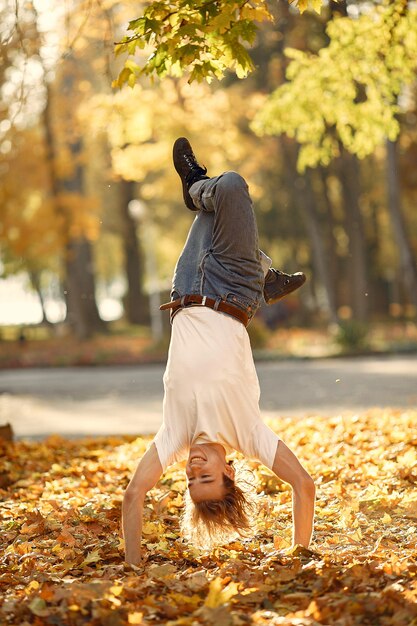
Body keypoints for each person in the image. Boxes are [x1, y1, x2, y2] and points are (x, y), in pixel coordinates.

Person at [122, 138, 315, 565]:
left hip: (188, 287)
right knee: (229, 188)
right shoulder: (249, 435)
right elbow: (303, 485)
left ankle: (269, 272)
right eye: (205, 475)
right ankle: (203, 195)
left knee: (214, 207)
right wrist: (299, 558)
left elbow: (134, 494)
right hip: (234, 289)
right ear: (229, 472)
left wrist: (134, 567)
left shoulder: (173, 436)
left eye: (190, 481)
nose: (192, 470)